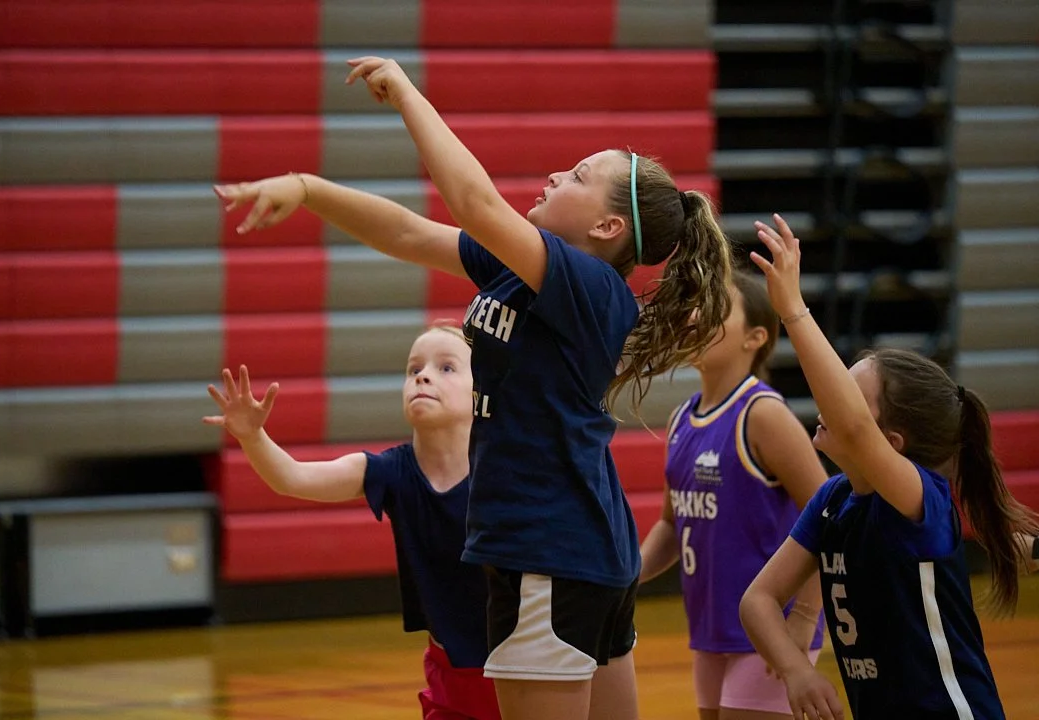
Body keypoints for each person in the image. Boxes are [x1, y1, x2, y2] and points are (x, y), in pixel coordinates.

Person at [213, 57, 735, 720]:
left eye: (577, 176)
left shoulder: (590, 286)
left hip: (546, 547)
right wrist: (309, 188)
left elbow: (474, 202)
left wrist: (404, 91)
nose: (554, 174)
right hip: (581, 547)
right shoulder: (529, 274)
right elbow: (409, 232)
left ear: (609, 229)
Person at [739, 215, 1039, 720]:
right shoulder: (834, 501)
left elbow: (855, 428)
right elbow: (759, 600)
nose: (827, 405)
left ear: (891, 442)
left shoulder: (920, 499)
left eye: (847, 398)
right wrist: (796, 669)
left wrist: (793, 309)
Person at [202, 324, 501, 720]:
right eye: (414, 369)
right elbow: (292, 478)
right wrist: (252, 437)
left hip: (518, 665)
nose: (423, 376)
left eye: (446, 368)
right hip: (450, 671)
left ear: (481, 394)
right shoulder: (390, 471)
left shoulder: (502, 471)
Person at [640, 271, 828, 720]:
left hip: (770, 632)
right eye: (694, 305)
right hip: (710, 630)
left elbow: (830, 514)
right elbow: (671, 524)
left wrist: (804, 616)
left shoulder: (763, 414)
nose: (694, 315)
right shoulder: (681, 418)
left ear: (755, 337)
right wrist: (624, 576)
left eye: (714, 307)